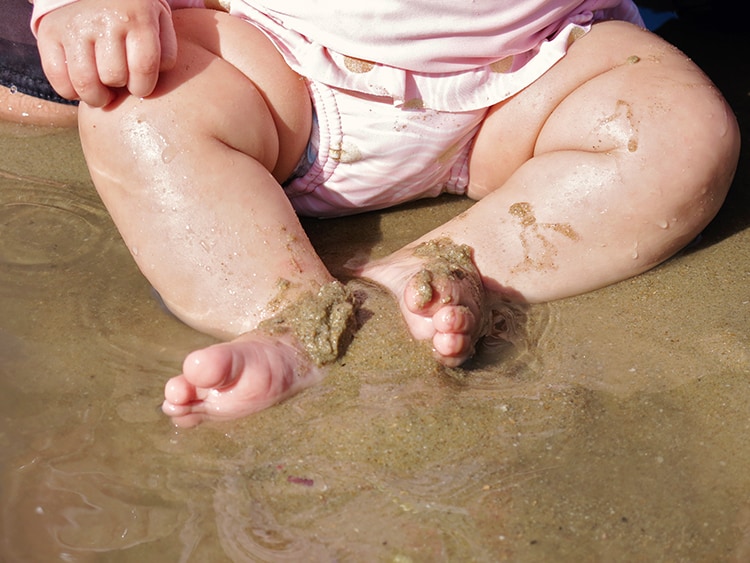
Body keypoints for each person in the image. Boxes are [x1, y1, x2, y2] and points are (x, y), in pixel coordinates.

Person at [31, 0, 739, 427]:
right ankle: (288, 320)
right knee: (141, 110)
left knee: (682, 133)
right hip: (289, 67)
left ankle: (441, 264)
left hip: (536, 69)